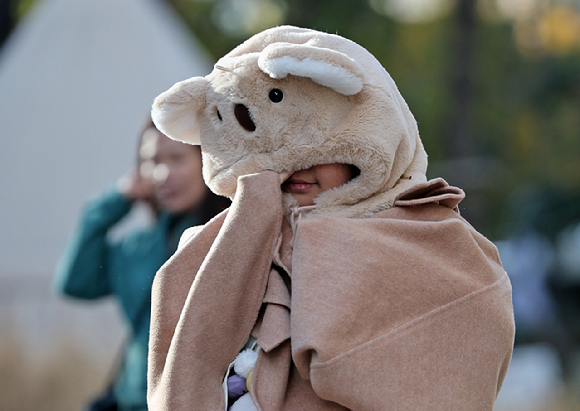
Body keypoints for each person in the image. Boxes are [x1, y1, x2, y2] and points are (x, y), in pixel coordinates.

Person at [146, 26, 515, 410]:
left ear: (364, 134)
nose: (291, 171)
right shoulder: (225, 243)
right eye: (272, 162)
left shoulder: (430, 244)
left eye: (311, 151)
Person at [54, 119, 230, 411]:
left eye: (176, 158)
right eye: (151, 161)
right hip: (132, 401)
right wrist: (116, 199)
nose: (162, 173)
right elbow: (75, 282)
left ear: (208, 161)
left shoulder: (232, 241)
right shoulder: (136, 248)